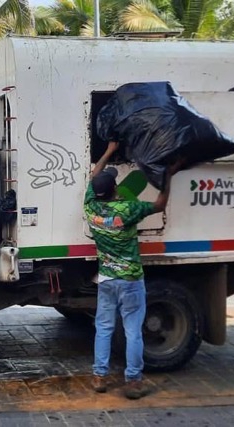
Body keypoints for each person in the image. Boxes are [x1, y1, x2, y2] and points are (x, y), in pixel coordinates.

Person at [83, 141, 186, 399]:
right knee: (132, 332)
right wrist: (168, 175)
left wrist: (107, 151)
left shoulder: (91, 208)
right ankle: (133, 381)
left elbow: (94, 176)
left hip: (106, 279)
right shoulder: (128, 210)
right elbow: (160, 204)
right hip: (130, 280)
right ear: (115, 189)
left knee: (104, 328)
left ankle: (99, 376)